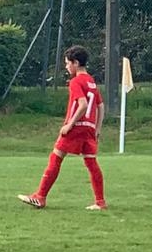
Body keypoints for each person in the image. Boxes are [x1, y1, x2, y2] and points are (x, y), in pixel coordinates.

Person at [19, 45, 107, 210]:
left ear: (75, 63)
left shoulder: (75, 81)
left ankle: (40, 197)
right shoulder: (91, 82)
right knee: (91, 162)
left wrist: (69, 125)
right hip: (89, 128)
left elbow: (83, 105)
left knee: (56, 157)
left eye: (67, 63)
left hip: (76, 127)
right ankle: (100, 202)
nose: (66, 67)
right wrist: (97, 129)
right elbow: (100, 106)